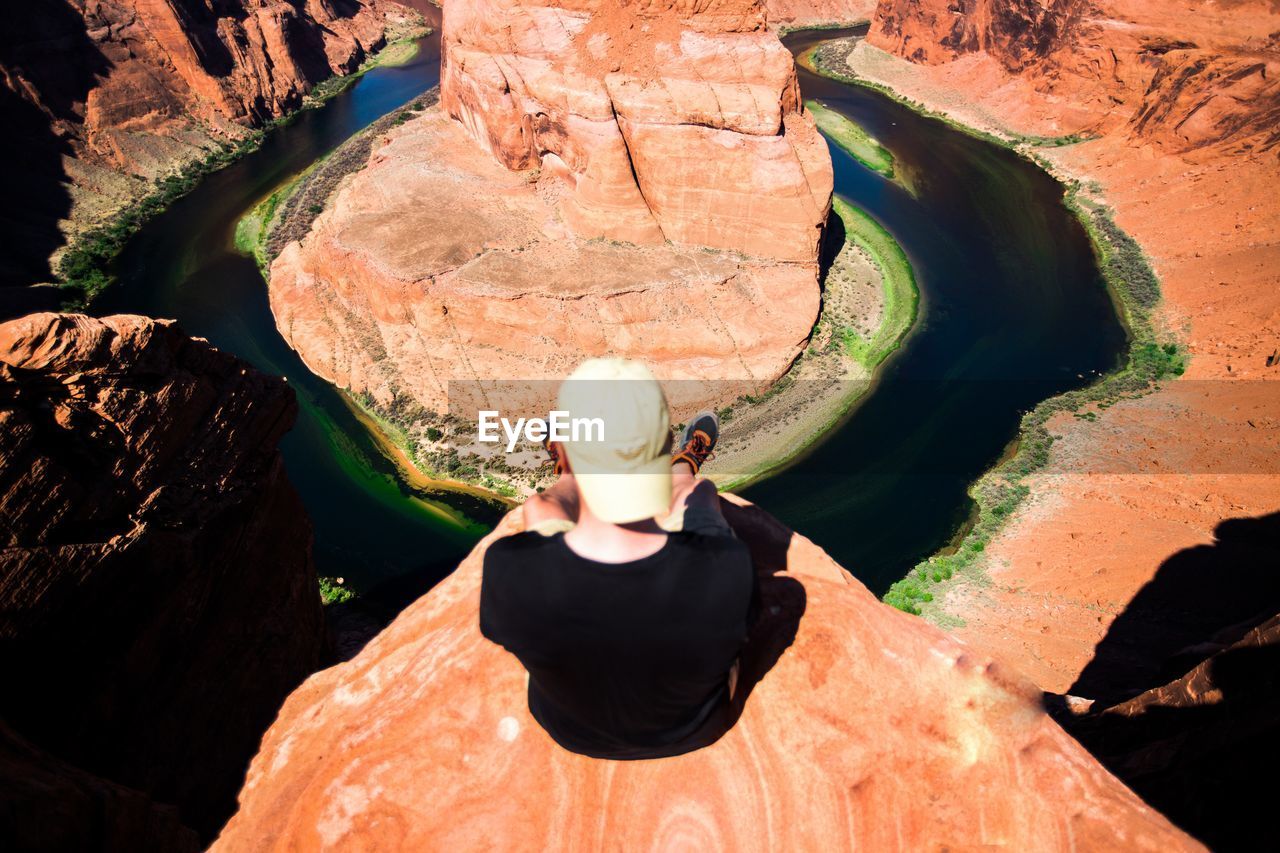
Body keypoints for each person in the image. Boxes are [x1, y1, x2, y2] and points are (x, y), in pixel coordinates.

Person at [479, 358, 757, 759]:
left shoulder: (508, 571)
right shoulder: (728, 569)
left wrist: (577, 465)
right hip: (692, 728)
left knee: (539, 508)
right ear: (657, 451)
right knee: (700, 493)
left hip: (570, 729)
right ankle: (685, 467)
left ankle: (567, 472)